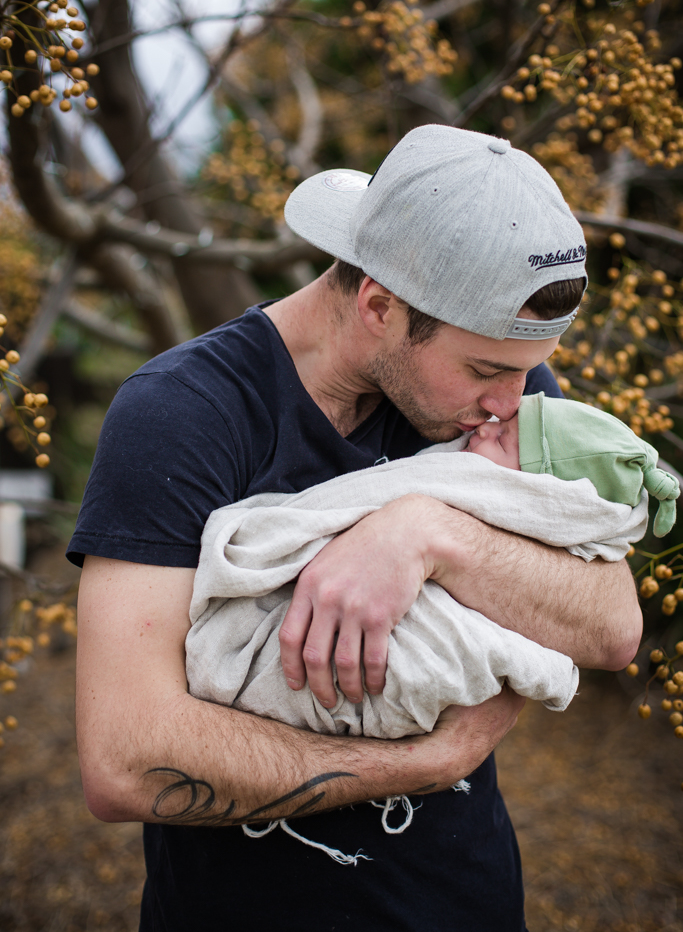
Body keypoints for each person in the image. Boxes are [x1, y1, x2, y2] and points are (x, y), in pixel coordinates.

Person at [72, 125, 641, 932]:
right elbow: (125, 763)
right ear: (379, 304)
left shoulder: (500, 389)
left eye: (525, 370)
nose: (513, 405)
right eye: (486, 370)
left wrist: (424, 533)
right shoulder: (182, 415)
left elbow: (613, 624)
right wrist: (426, 763)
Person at [186, 392, 676, 746]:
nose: (493, 414)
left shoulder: (515, 402)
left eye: (503, 436)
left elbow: (616, 635)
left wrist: (427, 531)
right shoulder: (194, 403)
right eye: (484, 369)